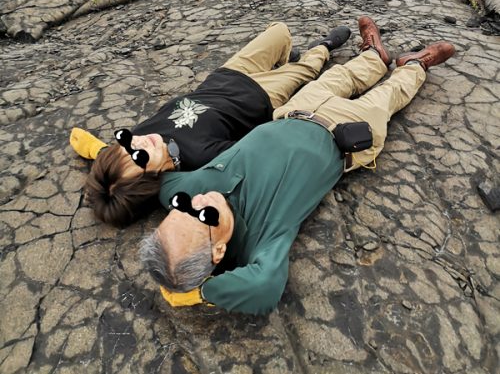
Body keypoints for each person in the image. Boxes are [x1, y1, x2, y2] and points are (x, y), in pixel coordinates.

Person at [140, 16, 455, 315]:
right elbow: (263, 289)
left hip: (296, 110)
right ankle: (414, 64)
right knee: (389, 96)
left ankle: (374, 55)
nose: (198, 201)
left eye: (181, 210)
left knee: (339, 76)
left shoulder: (190, 193)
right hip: (344, 137)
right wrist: (195, 293)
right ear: (218, 252)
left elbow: (163, 182)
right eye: (201, 217)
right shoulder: (261, 242)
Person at [70, 22, 351, 226]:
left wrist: (96, 150)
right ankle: (323, 47)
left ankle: (284, 60)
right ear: (152, 180)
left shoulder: (140, 143)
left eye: (127, 145)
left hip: (227, 75)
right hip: (262, 97)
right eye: (140, 156)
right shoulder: (200, 159)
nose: (140, 142)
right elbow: (255, 152)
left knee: (280, 31)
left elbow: (109, 155)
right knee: (307, 69)